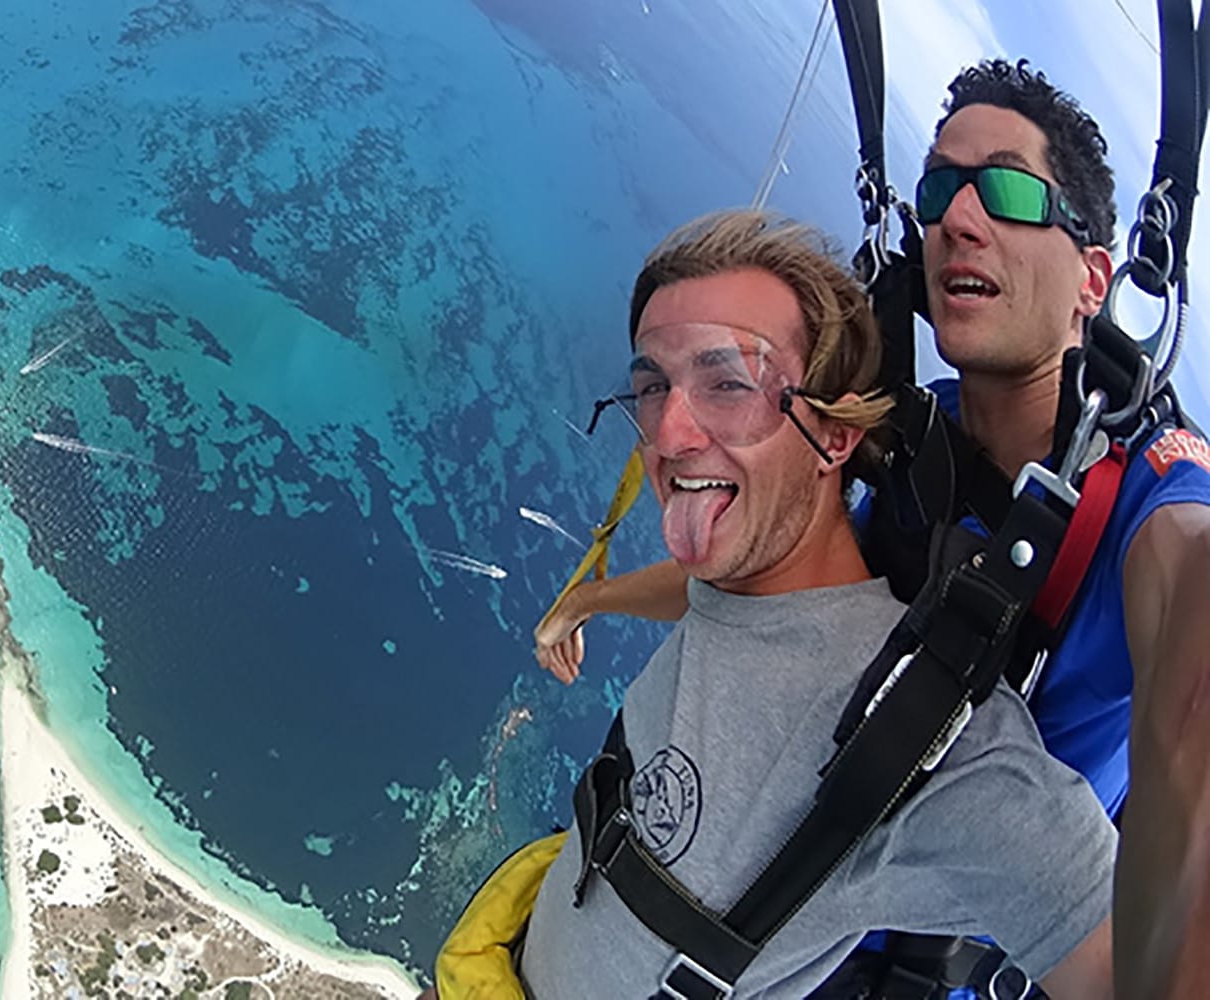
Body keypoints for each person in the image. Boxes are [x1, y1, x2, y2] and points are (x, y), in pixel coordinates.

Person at [534, 60, 1210, 998]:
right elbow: (769, 568)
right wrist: (595, 599)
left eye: (1010, 191)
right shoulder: (905, 436)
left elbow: (1191, 655)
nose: (958, 220)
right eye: (939, 189)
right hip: (811, 917)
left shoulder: (1148, 493)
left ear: (1096, 277)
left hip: (996, 937)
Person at [430, 208, 1116, 999]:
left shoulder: (918, 742)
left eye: (730, 383)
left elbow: (1126, 955)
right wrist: (587, 599)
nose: (670, 434)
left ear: (833, 435)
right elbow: (701, 598)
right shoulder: (741, 580)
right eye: (654, 385)